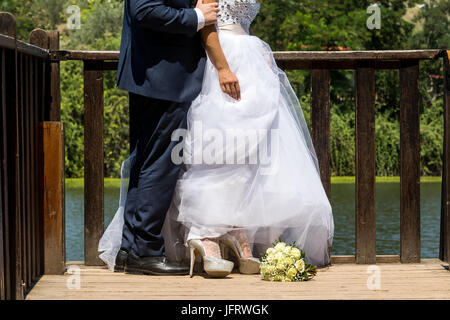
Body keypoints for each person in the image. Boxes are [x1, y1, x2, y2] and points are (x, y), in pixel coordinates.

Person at [99, 0, 334, 278]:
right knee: (166, 162)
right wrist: (200, 20)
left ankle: (137, 249)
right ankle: (149, 249)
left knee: (160, 160)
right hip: (169, 73)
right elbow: (145, 11)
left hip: (184, 71)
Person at [98, 0, 224, 276]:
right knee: (160, 164)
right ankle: (143, 250)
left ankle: (130, 251)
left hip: (157, 77)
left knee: (146, 162)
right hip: (163, 78)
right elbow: (144, 10)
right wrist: (196, 17)